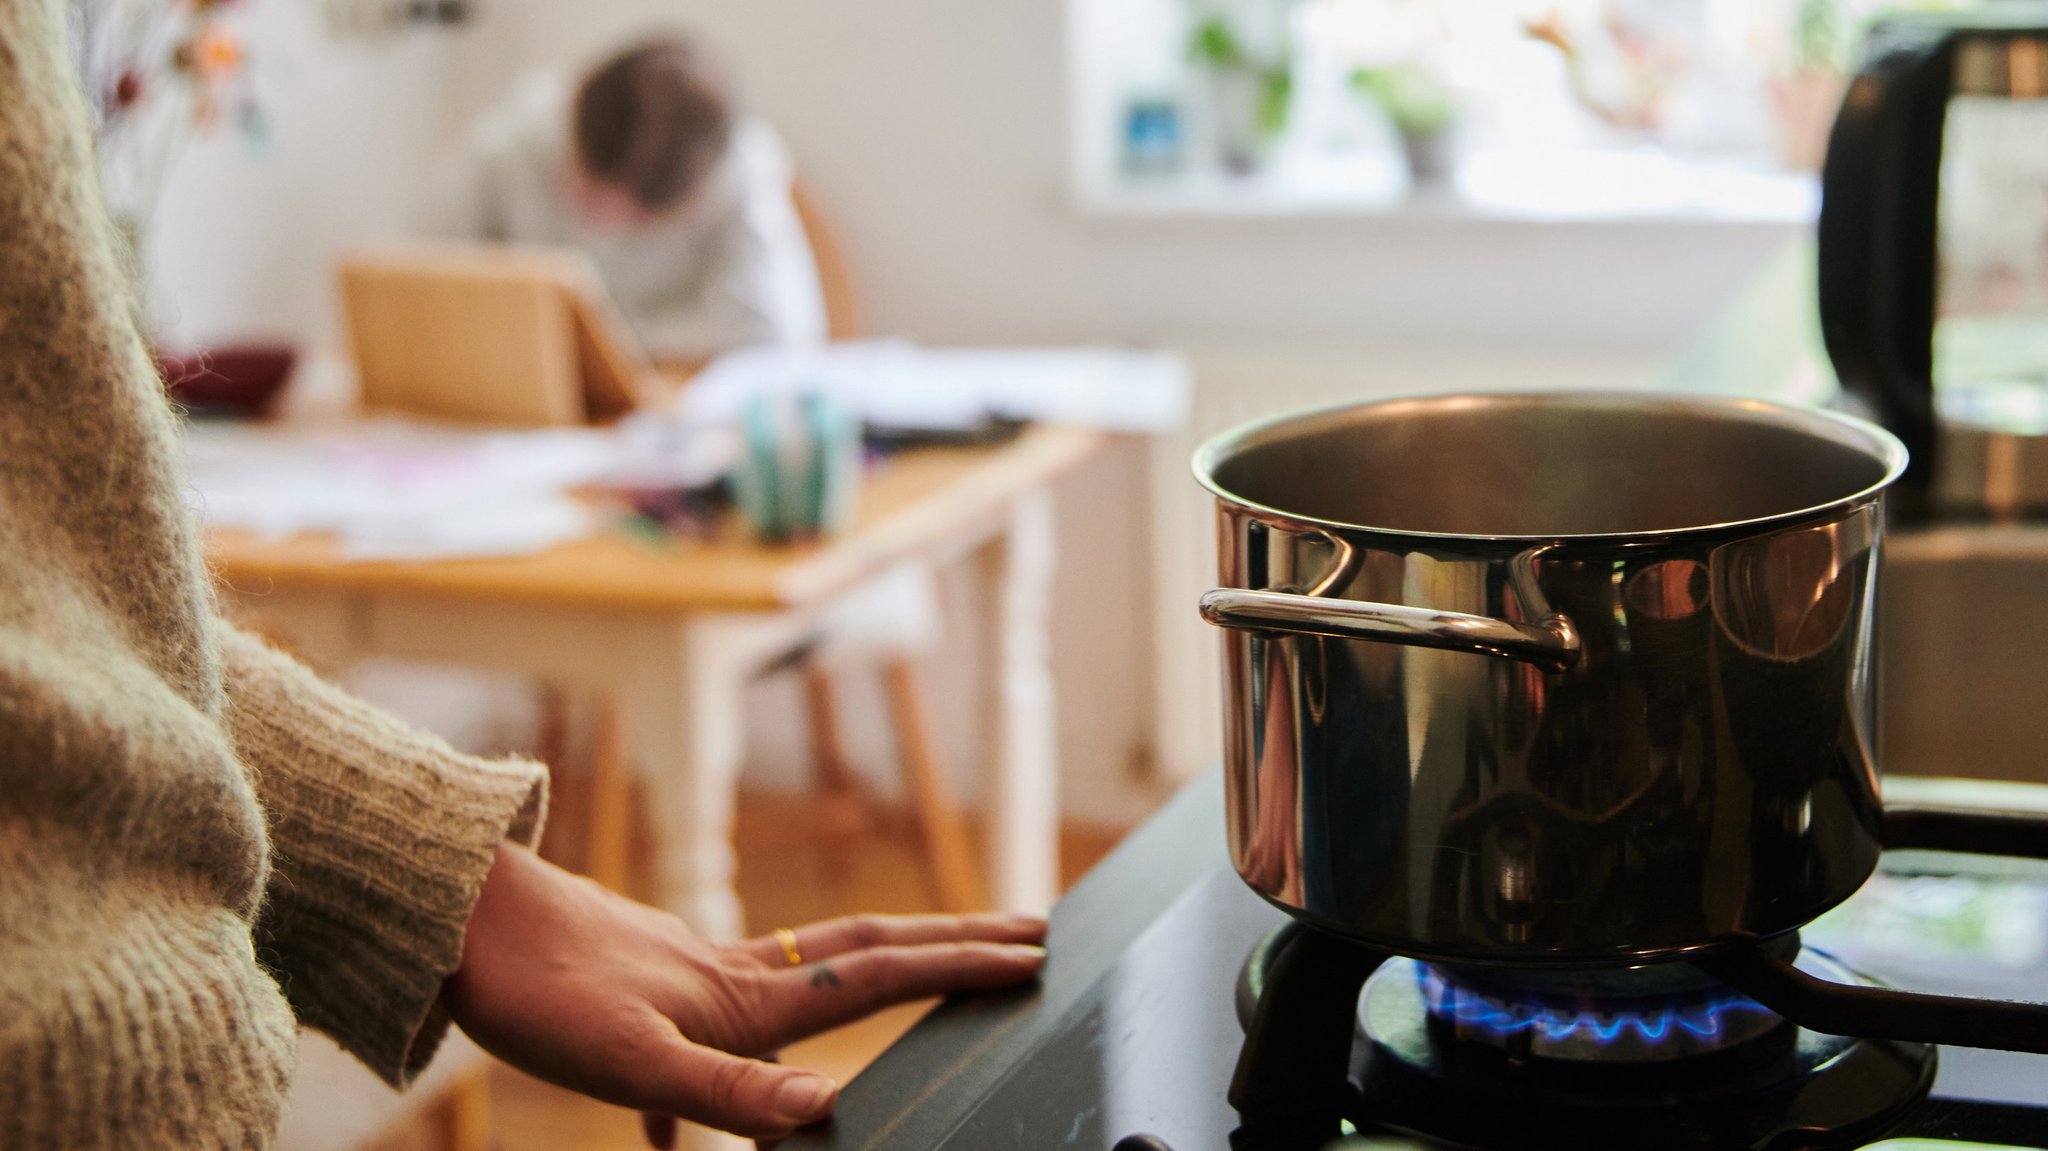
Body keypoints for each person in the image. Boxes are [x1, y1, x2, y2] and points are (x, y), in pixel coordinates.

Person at [0, 3, 1045, 1148]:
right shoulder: (515, 140)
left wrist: (451, 871)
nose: (599, 214)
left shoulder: (743, 178)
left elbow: (77, 612)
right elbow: (415, 283)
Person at [443, 36, 829, 365]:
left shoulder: (739, 171)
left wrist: (614, 343)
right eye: (584, 179)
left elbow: (782, 337)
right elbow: (416, 275)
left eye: (632, 214)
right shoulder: (519, 134)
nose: (599, 219)